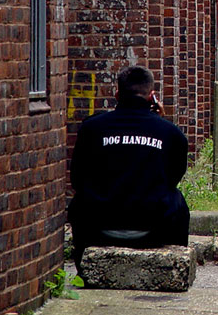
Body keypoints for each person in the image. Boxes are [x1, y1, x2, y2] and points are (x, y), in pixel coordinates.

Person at [68, 65, 190, 267]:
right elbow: (173, 177)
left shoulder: (92, 128)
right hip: (153, 228)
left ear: (117, 94)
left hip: (99, 227)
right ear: (152, 97)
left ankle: (82, 262)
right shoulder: (171, 133)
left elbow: (77, 179)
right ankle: (173, 262)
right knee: (177, 199)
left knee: (80, 201)